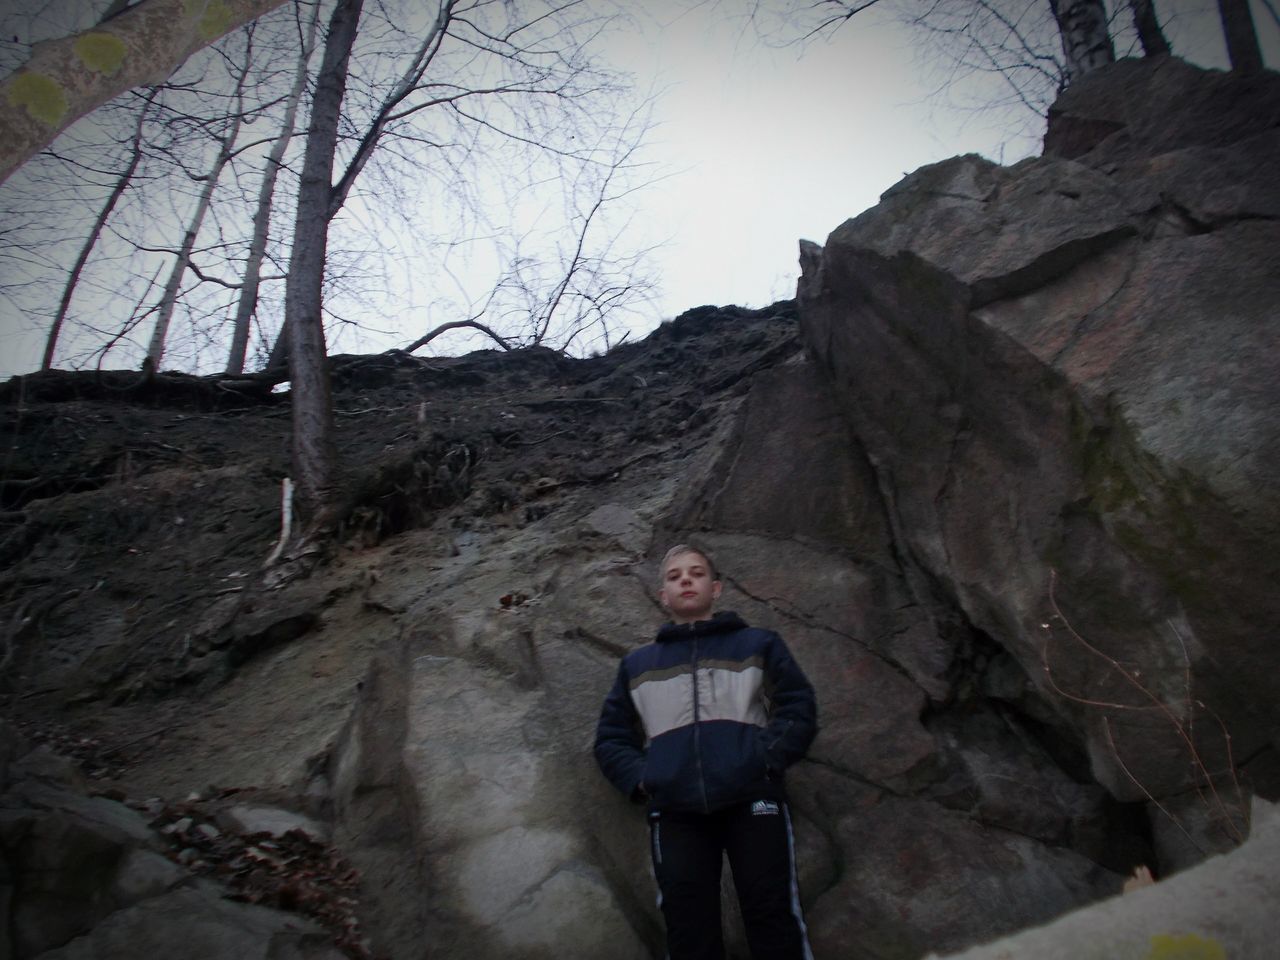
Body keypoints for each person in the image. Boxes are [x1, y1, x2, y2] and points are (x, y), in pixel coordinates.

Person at [594, 543, 818, 960]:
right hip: (675, 812)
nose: (685, 580)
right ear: (663, 596)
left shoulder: (757, 643)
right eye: (675, 575)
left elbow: (798, 706)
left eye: (696, 573)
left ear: (715, 588)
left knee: (773, 916)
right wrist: (645, 779)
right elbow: (610, 738)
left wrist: (764, 760)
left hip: (753, 799)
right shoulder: (638, 665)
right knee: (688, 928)